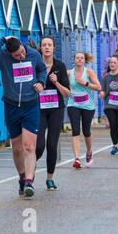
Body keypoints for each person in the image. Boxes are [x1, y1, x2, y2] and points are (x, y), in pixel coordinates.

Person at [0, 36, 47, 198]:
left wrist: (41, 82)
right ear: (9, 53)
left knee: (28, 146)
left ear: (22, 45)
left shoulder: (33, 54)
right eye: (17, 56)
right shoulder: (3, 57)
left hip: (31, 105)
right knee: (17, 147)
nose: (21, 57)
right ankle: (21, 177)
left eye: (21, 53)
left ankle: (29, 182)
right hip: (11, 106)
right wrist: (2, 40)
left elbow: (42, 69)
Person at [35, 36, 71, 191]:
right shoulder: (36, 64)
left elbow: (67, 93)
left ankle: (50, 178)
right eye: (44, 45)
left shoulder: (60, 66)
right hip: (39, 109)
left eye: (50, 45)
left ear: (54, 48)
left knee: (51, 144)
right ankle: (29, 174)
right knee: (39, 145)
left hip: (56, 109)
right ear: (41, 48)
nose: (47, 47)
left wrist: (56, 82)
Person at [67, 52, 102, 168]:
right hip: (73, 104)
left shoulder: (88, 72)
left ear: (84, 60)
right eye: (77, 58)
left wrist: (85, 83)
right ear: (74, 60)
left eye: (81, 58)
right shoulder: (69, 73)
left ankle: (89, 151)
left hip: (87, 105)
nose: (80, 60)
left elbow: (98, 87)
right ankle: (76, 158)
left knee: (86, 131)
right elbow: (65, 87)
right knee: (75, 131)